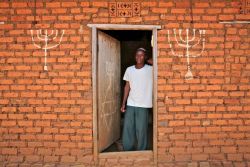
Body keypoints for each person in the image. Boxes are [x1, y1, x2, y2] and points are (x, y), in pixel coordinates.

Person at [121, 47, 153, 151]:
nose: (139, 57)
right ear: (135, 57)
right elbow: (127, 86)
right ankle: (128, 149)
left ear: (145, 57)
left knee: (141, 129)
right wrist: (123, 103)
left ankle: (141, 150)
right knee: (128, 128)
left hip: (144, 104)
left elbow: (160, 62)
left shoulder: (150, 69)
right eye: (137, 55)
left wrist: (148, 60)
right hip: (131, 103)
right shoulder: (129, 70)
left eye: (142, 55)